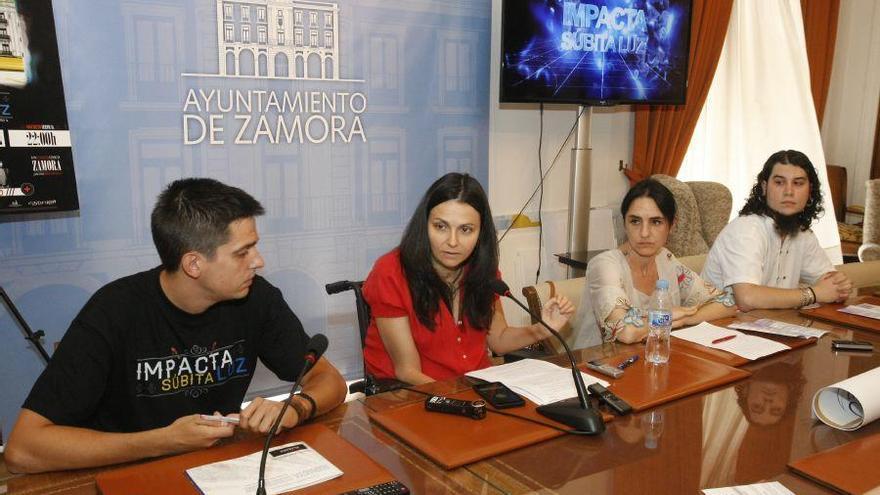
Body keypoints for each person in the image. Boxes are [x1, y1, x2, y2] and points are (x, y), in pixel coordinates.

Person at [5, 178, 347, 474]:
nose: (259, 261)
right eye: (243, 252)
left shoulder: (257, 298)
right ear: (194, 264)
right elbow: (23, 449)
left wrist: (296, 408)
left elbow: (329, 381)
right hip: (124, 473)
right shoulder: (114, 310)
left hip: (217, 469)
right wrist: (162, 442)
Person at [362, 172, 574, 385]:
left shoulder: (482, 270)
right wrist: (461, 403)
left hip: (474, 389)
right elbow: (407, 371)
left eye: (466, 229)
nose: (452, 241)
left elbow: (498, 340)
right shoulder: (390, 271)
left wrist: (541, 329)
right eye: (440, 226)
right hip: (412, 396)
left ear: (480, 233)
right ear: (424, 225)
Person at [574, 179, 736, 347]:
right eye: (635, 221)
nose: (644, 233)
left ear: (672, 225)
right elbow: (626, 332)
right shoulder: (604, 265)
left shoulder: (666, 259)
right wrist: (669, 317)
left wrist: (684, 318)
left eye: (656, 222)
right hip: (597, 365)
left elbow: (727, 304)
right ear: (624, 224)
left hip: (652, 356)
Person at [701, 150, 853, 311]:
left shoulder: (803, 234)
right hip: (719, 327)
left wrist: (839, 285)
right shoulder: (746, 230)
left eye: (798, 183)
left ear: (810, 191)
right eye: (779, 182)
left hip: (770, 325)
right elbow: (747, 298)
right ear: (764, 187)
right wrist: (814, 294)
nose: (789, 191)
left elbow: (830, 283)